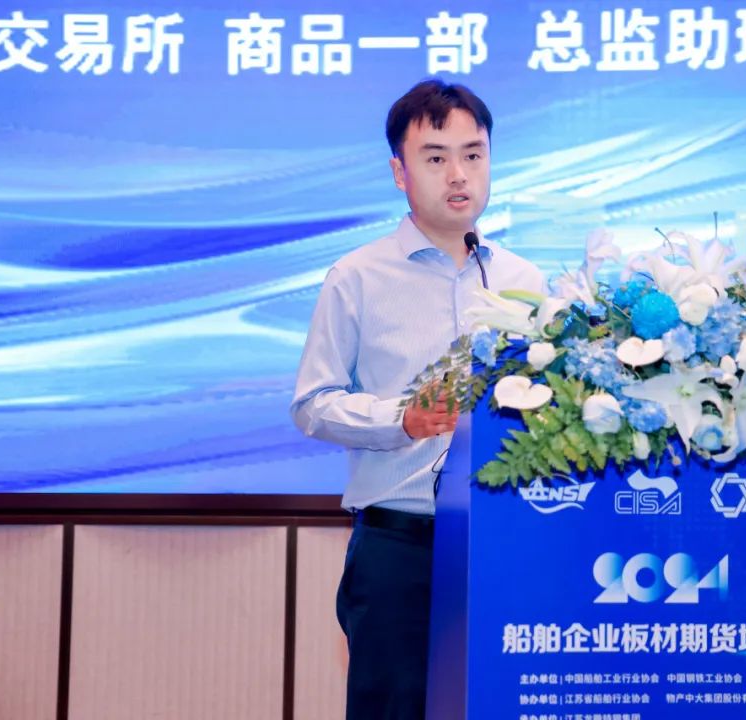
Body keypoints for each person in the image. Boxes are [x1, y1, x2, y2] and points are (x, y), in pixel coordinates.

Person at [290, 79, 544, 719]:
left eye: (473, 154)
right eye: (435, 158)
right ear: (399, 173)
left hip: (507, 542)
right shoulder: (358, 277)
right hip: (401, 546)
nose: (458, 174)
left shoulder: (524, 279)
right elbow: (313, 403)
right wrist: (400, 419)